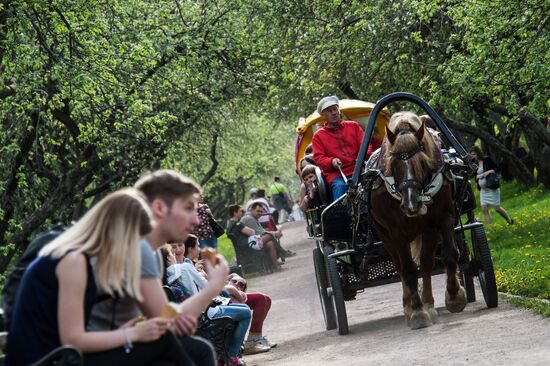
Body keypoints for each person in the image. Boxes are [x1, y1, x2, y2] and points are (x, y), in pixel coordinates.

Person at [6, 189, 190, 366]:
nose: (136, 248)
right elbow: (73, 340)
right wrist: (133, 334)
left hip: (60, 356)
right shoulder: (73, 261)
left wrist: (124, 332)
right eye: (136, 239)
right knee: (163, 340)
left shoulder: (78, 257)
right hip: (46, 360)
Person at [88, 169, 229, 366]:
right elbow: (167, 322)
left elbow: (163, 318)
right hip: (95, 352)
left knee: (194, 350)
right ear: (159, 208)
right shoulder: (138, 247)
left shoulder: (150, 250)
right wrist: (213, 286)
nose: (196, 220)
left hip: (117, 346)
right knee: (195, 351)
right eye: (188, 208)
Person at [160, 236, 259, 364]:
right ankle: (232, 355)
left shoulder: (163, 276)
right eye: (172, 252)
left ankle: (228, 354)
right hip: (205, 313)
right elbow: (207, 287)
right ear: (168, 258)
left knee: (242, 309)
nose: (175, 253)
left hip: (189, 316)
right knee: (245, 313)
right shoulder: (185, 267)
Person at [312, 95, 373, 200]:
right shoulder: (318, 136)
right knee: (340, 186)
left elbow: (366, 144)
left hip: (360, 168)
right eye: (330, 111)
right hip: (337, 175)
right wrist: (331, 162)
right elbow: (319, 158)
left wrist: (363, 156)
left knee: (375, 183)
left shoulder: (353, 126)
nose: (334, 112)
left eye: (335, 109)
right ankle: (341, 215)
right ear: (323, 115)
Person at [226, 273, 277, 353]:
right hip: (220, 301)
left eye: (240, 284)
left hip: (230, 297)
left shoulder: (238, 292)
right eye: (234, 281)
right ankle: (252, 342)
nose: (236, 284)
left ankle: (256, 338)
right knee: (260, 298)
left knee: (266, 299)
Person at [227, 204, 280, 270]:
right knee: (269, 235)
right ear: (235, 213)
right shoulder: (237, 224)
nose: (242, 213)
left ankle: (275, 266)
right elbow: (252, 232)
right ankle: (283, 252)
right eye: (240, 211)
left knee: (270, 244)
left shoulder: (231, 223)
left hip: (245, 244)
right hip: (248, 245)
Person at [470, 146, 514, 225]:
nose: (473, 156)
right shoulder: (473, 164)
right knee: (484, 209)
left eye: (474, 154)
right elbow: (475, 177)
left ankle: (509, 221)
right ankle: (490, 229)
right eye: (471, 155)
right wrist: (477, 177)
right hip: (483, 190)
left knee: (497, 208)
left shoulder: (487, 160)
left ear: (478, 153)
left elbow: (497, 168)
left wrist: (489, 172)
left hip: (492, 188)